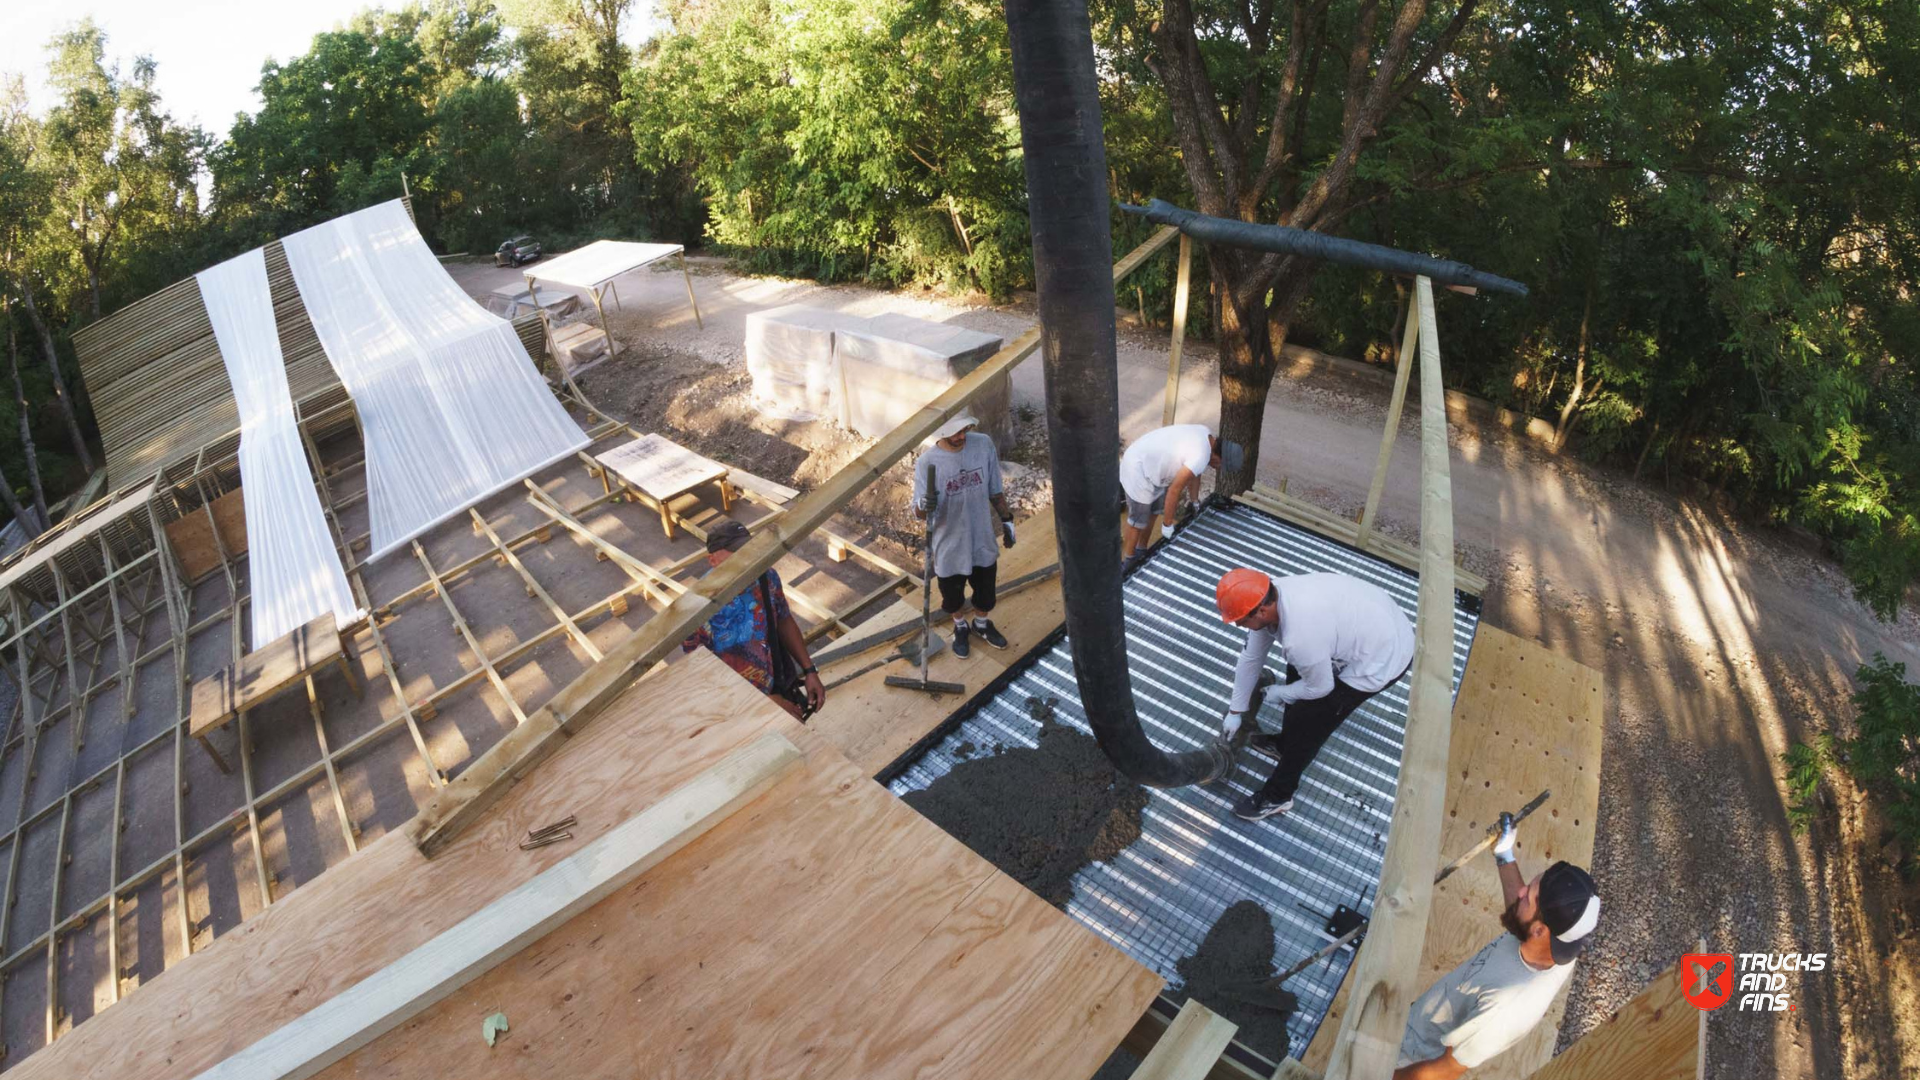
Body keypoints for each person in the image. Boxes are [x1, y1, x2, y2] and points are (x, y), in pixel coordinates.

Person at [1394, 817, 1601, 1079]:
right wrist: (1504, 854)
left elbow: (1441, 1071)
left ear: (1540, 931)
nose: (1521, 892)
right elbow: (1522, 917)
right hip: (1417, 1022)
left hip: (1410, 1058)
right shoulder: (1557, 940)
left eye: (1528, 895)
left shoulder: (1506, 1009)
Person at [1214, 568, 1416, 820]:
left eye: (1240, 620)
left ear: (1262, 611)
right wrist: (1236, 711)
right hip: (1368, 625)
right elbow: (1251, 657)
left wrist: (1281, 692)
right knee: (1299, 678)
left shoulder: (1300, 635)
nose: (1238, 624)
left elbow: (1321, 688)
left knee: (1311, 722)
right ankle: (1283, 744)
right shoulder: (1269, 594)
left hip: (1382, 656)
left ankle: (1278, 796)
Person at [681, 518, 825, 719]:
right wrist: (766, 702)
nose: (745, 562)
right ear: (712, 560)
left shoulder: (766, 577)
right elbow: (705, 675)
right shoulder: (695, 608)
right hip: (739, 709)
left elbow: (783, 620)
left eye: (748, 552)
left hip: (778, 686)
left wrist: (809, 670)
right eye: (735, 557)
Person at [912, 414, 1016, 659]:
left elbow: (995, 489)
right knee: (952, 595)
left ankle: (981, 625)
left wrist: (1007, 519)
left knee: (985, 590)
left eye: (965, 430)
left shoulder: (982, 444)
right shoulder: (927, 462)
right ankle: (960, 626)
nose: (961, 437)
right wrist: (923, 504)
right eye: (955, 433)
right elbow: (917, 512)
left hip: (981, 536)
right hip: (949, 543)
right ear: (941, 432)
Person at [1119, 424, 1222, 565]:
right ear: (1217, 458)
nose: (1218, 468)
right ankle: (1128, 561)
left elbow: (1195, 473)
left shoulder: (1207, 437)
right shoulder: (1202, 454)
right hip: (1138, 468)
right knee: (1137, 521)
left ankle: (1141, 550)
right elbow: (1174, 490)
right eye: (1219, 465)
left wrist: (1194, 502)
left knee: (1154, 512)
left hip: (1155, 468)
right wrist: (1167, 525)